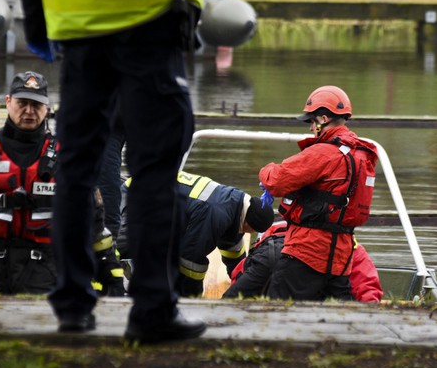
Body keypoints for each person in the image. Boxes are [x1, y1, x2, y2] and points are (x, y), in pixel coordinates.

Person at [18, 0, 244, 342]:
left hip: (80, 33)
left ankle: (73, 304)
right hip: (149, 33)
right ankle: (151, 310)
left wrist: (36, 19)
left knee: (76, 170)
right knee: (155, 174)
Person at [0, 71, 123, 296]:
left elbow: (94, 225)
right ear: (8, 102)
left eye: (36, 105)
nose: (29, 111)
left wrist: (110, 273)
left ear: (47, 109)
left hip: (46, 279)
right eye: (22, 103)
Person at [258, 85, 379, 301]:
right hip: (340, 259)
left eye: (312, 121)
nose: (310, 128)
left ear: (323, 118)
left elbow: (276, 181)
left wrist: (264, 171)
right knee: (340, 319)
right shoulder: (362, 154)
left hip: (306, 252)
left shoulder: (323, 153)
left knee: (277, 312)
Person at [116, 171, 275, 297]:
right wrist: (193, 299)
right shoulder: (216, 212)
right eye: (252, 231)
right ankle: (110, 284)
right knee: (125, 248)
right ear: (248, 223)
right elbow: (191, 261)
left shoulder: (236, 207)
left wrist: (245, 286)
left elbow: (235, 258)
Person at [223, 220, 383, 303]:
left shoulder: (272, 237)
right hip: (315, 289)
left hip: (271, 263)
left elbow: (240, 274)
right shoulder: (347, 244)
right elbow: (368, 287)